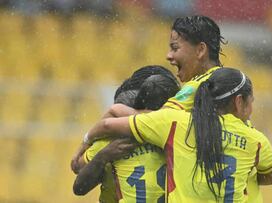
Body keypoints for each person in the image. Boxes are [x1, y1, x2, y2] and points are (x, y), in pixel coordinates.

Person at [74, 15, 262, 202]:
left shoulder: (198, 87)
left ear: (200, 50)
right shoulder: (226, 88)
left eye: (175, 48)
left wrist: (107, 123)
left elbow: (158, 119)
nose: (169, 56)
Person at [82, 68, 272, 202]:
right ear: (238, 101)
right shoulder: (255, 139)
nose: (251, 107)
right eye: (251, 101)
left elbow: (109, 123)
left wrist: (84, 144)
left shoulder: (177, 124)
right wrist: (240, 178)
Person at [72, 65, 180, 203]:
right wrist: (103, 156)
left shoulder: (112, 140)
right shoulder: (174, 134)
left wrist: (100, 152)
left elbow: (78, 182)